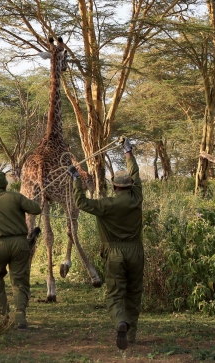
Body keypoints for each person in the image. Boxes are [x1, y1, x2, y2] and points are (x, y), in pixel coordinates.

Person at [67, 137, 144, 350]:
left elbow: (81, 202)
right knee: (134, 292)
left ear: (114, 186)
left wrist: (76, 179)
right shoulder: (137, 198)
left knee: (115, 293)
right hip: (136, 251)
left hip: (114, 253)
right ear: (130, 186)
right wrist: (128, 152)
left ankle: (121, 321)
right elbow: (136, 175)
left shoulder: (105, 205)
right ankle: (132, 335)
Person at [0, 171, 42, 330]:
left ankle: (3, 314)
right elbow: (36, 209)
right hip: (19, 244)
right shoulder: (16, 197)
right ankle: (20, 315)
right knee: (20, 280)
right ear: (5, 184)